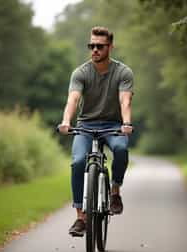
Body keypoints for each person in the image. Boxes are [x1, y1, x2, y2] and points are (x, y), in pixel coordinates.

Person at [58, 26, 134, 237]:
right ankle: (81, 218)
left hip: (112, 126)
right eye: (91, 46)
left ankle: (115, 190)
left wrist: (126, 122)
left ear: (110, 47)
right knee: (78, 161)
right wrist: (66, 121)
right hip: (85, 126)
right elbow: (73, 99)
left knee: (120, 149)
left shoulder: (123, 72)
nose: (95, 50)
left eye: (100, 46)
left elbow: (124, 100)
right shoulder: (81, 72)